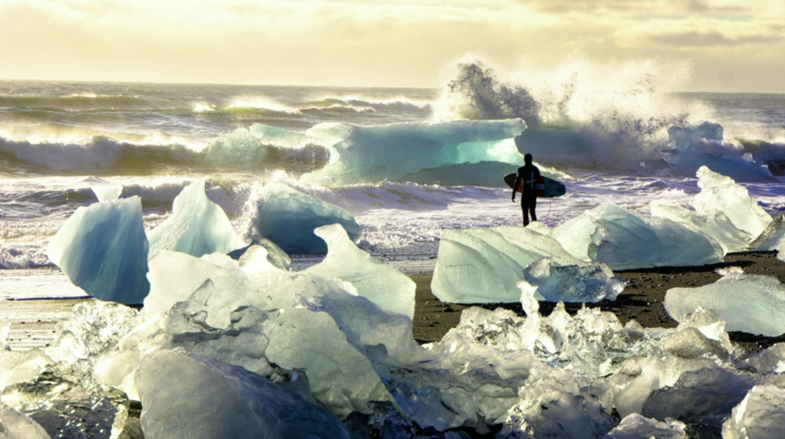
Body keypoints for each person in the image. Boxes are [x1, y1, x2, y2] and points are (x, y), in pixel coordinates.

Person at [511, 153, 540, 226]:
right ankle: (536, 229)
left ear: (524, 160)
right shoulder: (535, 169)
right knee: (532, 212)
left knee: (525, 214)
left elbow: (517, 182)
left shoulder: (521, 170)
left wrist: (513, 193)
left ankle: (526, 229)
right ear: (531, 160)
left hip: (526, 194)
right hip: (533, 193)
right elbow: (540, 182)